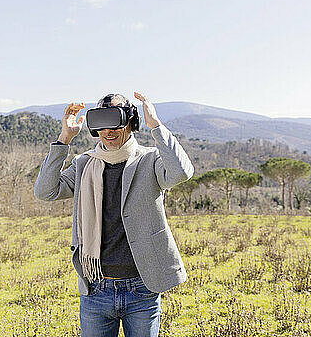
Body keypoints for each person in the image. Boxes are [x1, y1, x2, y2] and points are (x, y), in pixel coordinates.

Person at [34, 92, 194, 337]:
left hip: (142, 287)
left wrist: (156, 126)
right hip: (96, 288)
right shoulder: (83, 164)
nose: (107, 131)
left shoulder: (149, 160)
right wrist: (64, 139)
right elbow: (45, 191)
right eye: (100, 124)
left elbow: (181, 172)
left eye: (114, 122)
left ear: (131, 122)